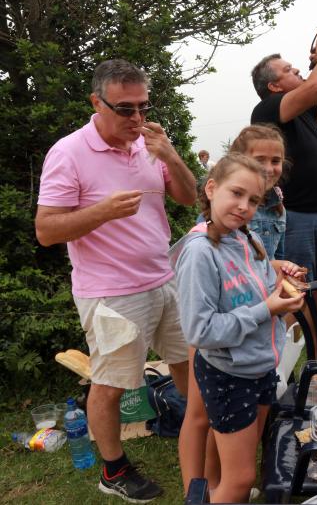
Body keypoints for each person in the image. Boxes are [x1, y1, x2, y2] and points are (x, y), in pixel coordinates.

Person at [35, 59, 197, 502]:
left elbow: (188, 196)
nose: (137, 119)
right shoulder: (69, 152)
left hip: (163, 278)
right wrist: (102, 211)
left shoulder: (149, 144)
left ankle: (198, 433)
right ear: (96, 102)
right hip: (110, 293)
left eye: (144, 107)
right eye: (126, 109)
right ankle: (113, 469)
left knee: (186, 362)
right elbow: (47, 230)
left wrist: (170, 155)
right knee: (110, 382)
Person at [174, 153, 305, 503]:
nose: (244, 206)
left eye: (254, 200)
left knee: (244, 473)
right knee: (241, 477)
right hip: (229, 374)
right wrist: (267, 308)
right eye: (236, 193)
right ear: (212, 188)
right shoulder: (200, 253)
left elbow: (260, 296)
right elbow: (200, 332)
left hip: (260, 366)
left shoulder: (247, 240)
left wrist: (283, 294)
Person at [249, 20, 317, 284]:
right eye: (287, 70)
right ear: (273, 86)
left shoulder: (303, 111)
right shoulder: (268, 109)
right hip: (294, 217)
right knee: (299, 292)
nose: (296, 68)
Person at [228, 124, 287, 260]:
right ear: (237, 162)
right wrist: (270, 268)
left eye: (275, 161)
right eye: (259, 160)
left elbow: (278, 257)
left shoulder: (279, 210)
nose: (268, 169)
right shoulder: (225, 207)